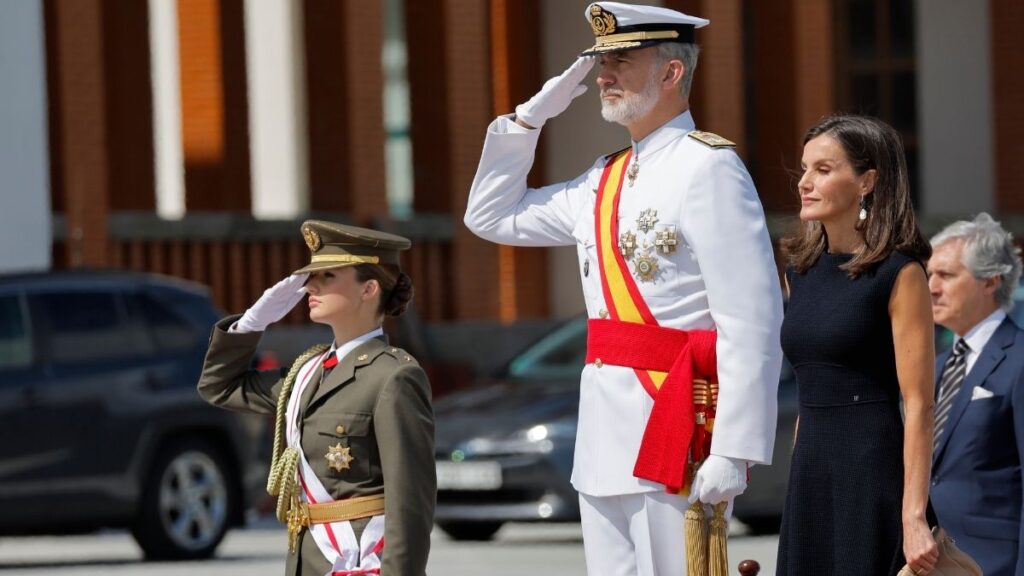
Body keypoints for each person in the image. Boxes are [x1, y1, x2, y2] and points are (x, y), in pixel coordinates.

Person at [464, 3, 783, 574]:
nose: (603, 75)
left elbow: (751, 320)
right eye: (601, 61)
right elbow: (490, 216)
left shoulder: (707, 168)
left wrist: (736, 447)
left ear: (671, 73)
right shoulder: (602, 178)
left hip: (674, 420)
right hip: (604, 432)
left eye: (621, 61)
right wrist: (528, 121)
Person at [197, 220, 435, 576]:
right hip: (309, 560)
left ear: (369, 288)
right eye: (312, 276)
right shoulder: (306, 373)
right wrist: (251, 324)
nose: (311, 285)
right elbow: (219, 386)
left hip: (360, 561)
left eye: (329, 276)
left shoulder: (394, 378)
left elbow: (410, 504)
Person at [776, 115, 938, 574]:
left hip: (871, 475)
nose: (805, 182)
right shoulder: (800, 274)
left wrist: (913, 516)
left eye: (823, 170)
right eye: (805, 170)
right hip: (810, 473)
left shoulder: (900, 273)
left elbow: (920, 403)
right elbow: (813, 383)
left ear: (867, 181)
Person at [927, 213, 1024, 575]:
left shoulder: (1019, 359)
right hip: (935, 561)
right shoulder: (936, 366)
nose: (932, 287)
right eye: (930, 274)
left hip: (996, 562)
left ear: (990, 281)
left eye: (947, 275)